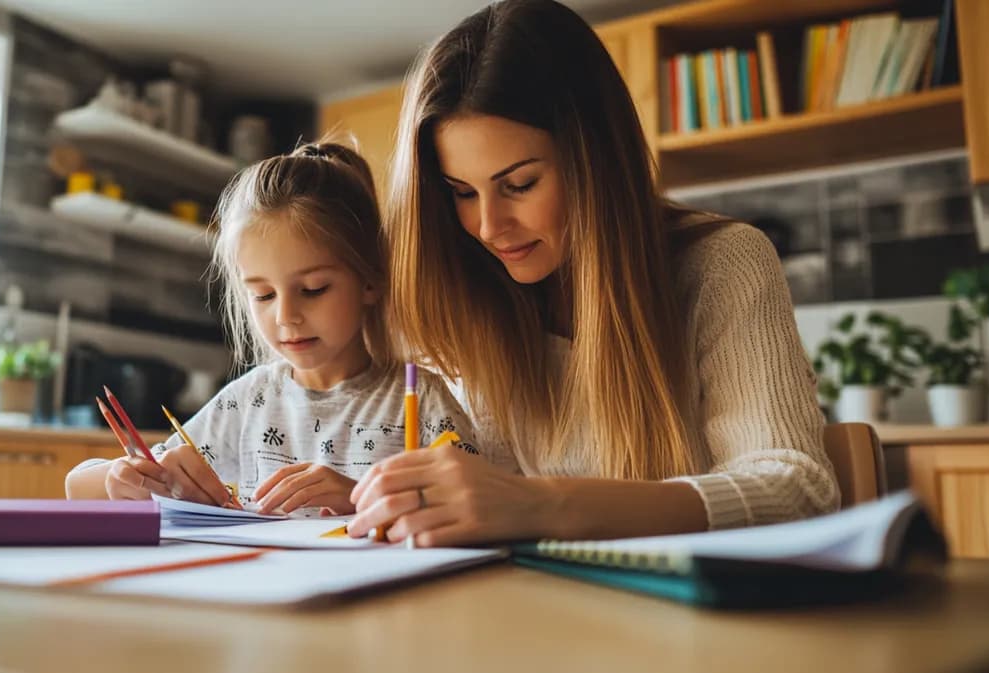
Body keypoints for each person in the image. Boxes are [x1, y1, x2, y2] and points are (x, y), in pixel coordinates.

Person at [347, 0, 838, 546]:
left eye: (520, 184)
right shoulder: (475, 290)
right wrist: (374, 495)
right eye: (462, 193)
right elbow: (481, 495)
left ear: (594, 159)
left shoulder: (724, 265)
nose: (488, 226)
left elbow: (798, 490)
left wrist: (542, 504)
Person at [65, 142, 512, 514]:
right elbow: (75, 487)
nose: (286, 317)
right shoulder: (249, 402)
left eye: (314, 289)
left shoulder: (420, 398)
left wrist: (361, 500)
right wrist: (122, 479)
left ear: (371, 280)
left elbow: (485, 508)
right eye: (263, 295)